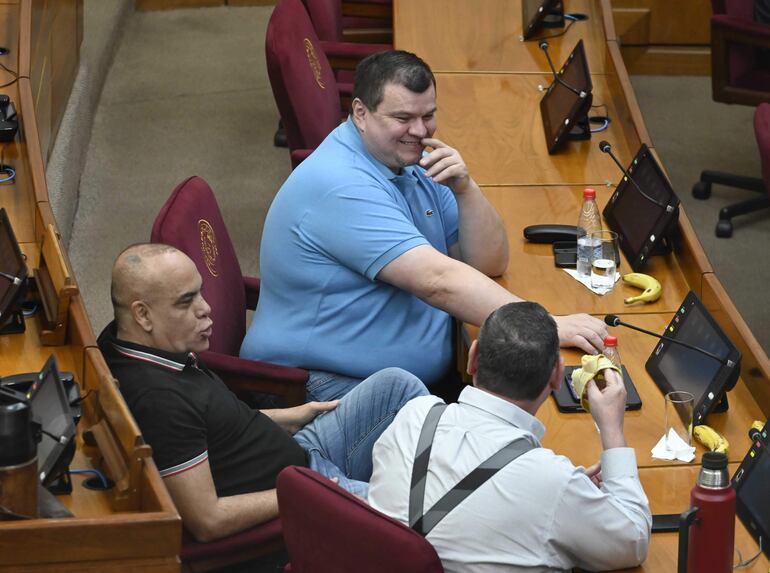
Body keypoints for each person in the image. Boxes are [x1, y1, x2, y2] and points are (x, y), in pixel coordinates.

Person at [241, 50, 607, 402]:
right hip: (319, 384)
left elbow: (488, 263)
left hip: (394, 372)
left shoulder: (411, 161)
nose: (420, 131)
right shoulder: (341, 185)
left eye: (428, 115)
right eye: (403, 119)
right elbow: (437, 281)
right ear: (360, 113)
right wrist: (546, 327)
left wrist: (466, 189)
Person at [97, 243, 428, 542]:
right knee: (419, 514)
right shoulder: (160, 402)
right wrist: (312, 490)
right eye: (186, 302)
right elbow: (208, 519)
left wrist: (289, 416)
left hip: (298, 452)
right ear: (142, 314)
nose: (206, 308)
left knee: (398, 386)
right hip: (301, 488)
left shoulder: (122, 343)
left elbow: (209, 427)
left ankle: (420, 481)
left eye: (200, 293)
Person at [368, 302, 651, 572]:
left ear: (473, 357)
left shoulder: (415, 415)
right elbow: (632, 540)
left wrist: (564, 495)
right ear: (556, 375)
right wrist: (612, 431)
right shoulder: (552, 481)